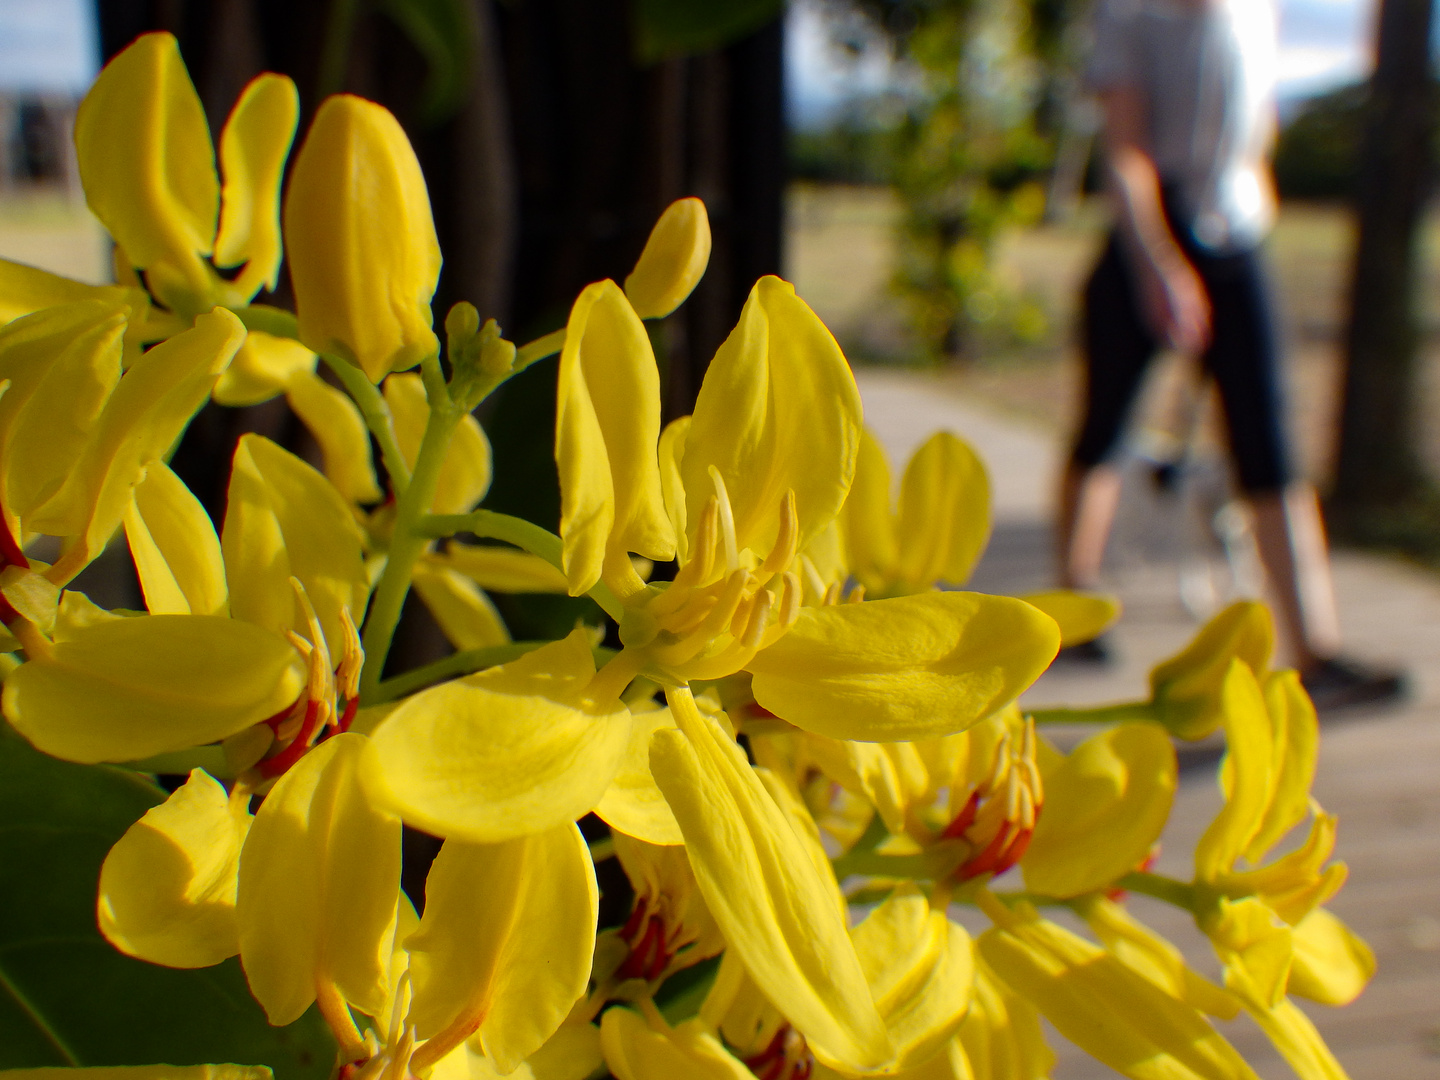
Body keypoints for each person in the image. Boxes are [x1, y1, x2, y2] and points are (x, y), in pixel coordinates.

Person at [1056, 0, 1404, 710]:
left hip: (1237, 235)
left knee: (1267, 440)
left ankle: (1315, 650)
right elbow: (1125, 151)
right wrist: (1158, 263)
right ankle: (1072, 606)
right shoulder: (1130, 15)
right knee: (1106, 427)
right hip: (1149, 239)